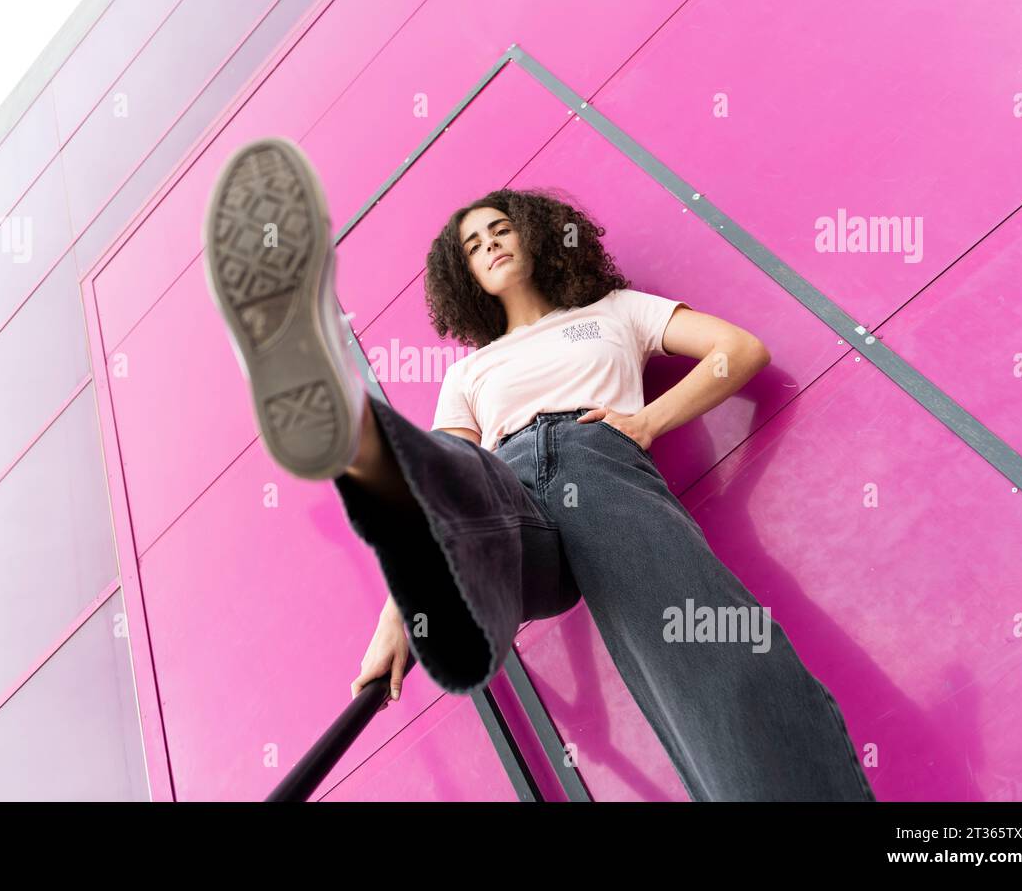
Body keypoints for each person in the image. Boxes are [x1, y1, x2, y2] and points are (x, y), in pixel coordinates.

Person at [203, 135, 875, 801]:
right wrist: (393, 624)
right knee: (453, 468)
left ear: (535, 237)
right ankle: (354, 428)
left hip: (604, 471)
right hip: (505, 496)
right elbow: (433, 499)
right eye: (473, 244)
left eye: (500, 230)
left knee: (711, 661)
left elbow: (739, 350)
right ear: (463, 274)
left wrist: (645, 421)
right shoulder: (469, 371)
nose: (490, 244)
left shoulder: (615, 313)